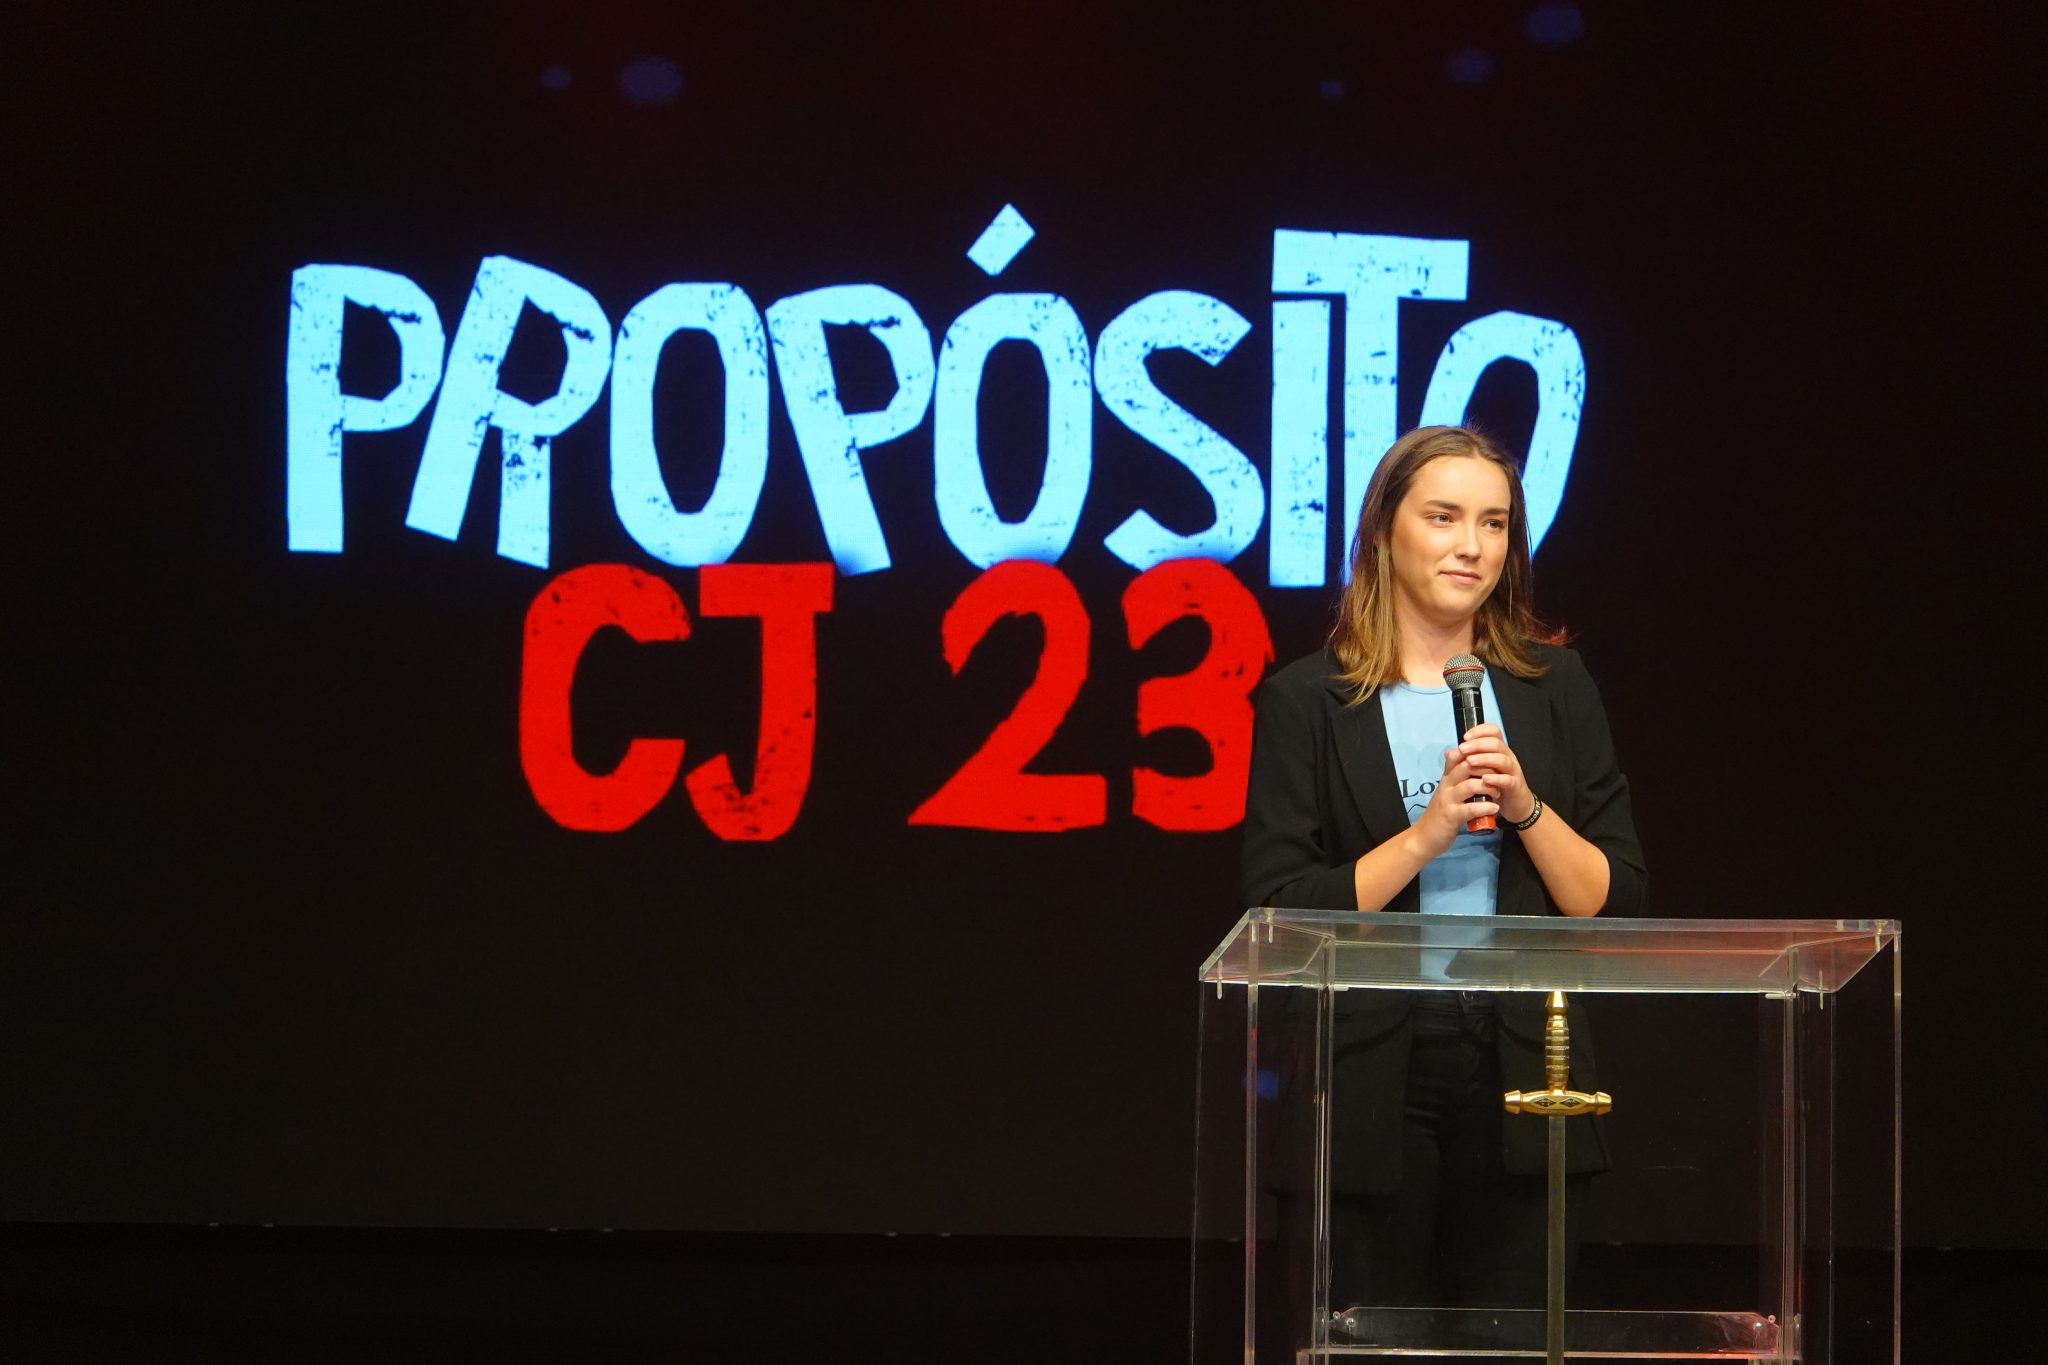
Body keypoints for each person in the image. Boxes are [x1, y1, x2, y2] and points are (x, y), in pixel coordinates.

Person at [1240, 424, 1646, 1315]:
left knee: (1515, 1330)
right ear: (1384, 531)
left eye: (1494, 523)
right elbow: (1280, 907)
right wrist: (1425, 835)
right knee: (1364, 1329)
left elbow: (1614, 896)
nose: (1472, 545)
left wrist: (1527, 807)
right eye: (1444, 517)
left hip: (1524, 1052)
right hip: (1367, 1066)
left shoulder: (1553, 685)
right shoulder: (1310, 698)